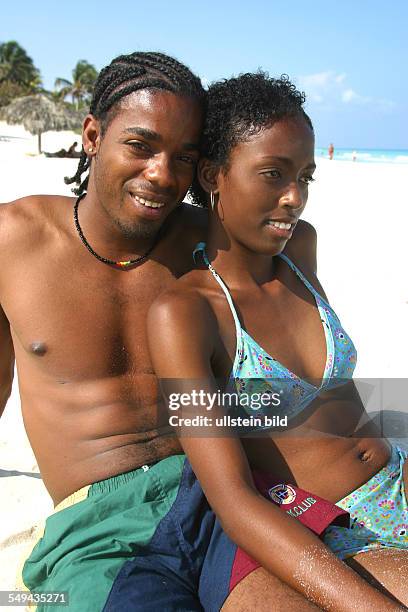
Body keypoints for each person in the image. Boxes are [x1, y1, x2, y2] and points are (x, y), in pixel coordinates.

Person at [1, 52, 321, 612]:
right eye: (141, 146)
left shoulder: (212, 242)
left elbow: (296, 237)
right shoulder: (13, 241)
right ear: (93, 135)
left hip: (221, 492)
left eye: (184, 158)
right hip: (98, 527)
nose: (161, 174)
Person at [148, 72, 408, 610]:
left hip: (396, 474)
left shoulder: (300, 252)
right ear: (214, 175)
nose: (295, 199)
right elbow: (235, 500)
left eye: (306, 176)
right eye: (273, 174)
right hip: (334, 524)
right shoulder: (186, 313)